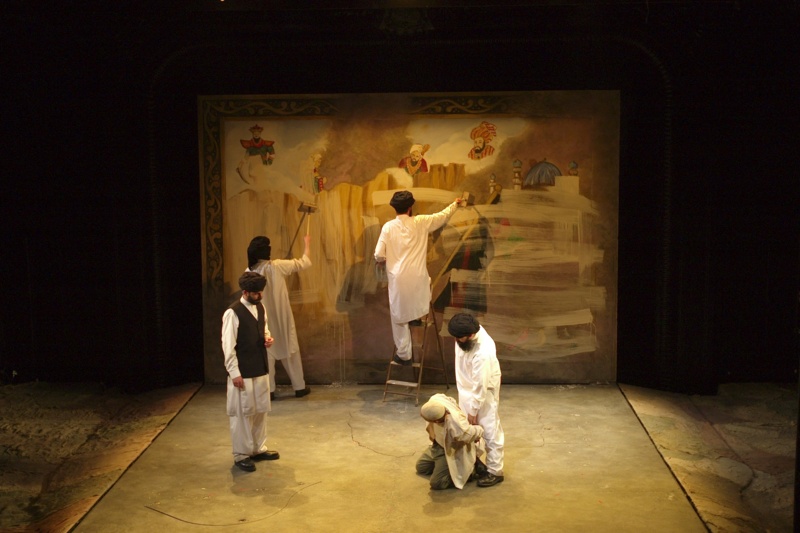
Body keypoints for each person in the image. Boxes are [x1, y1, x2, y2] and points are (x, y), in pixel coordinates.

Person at [374, 191, 463, 365]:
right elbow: (441, 217)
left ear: (395, 208)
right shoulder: (421, 222)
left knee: (398, 317)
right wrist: (455, 204)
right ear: (410, 208)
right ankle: (415, 316)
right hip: (419, 277)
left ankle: (404, 355)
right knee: (423, 288)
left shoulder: (388, 227)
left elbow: (378, 253)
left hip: (398, 279)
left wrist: (382, 260)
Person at [221, 271, 280, 472]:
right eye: (255, 293)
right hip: (243, 371)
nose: (259, 296)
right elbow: (228, 346)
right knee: (242, 413)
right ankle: (241, 454)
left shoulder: (260, 307)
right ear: (245, 292)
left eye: (260, 292)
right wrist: (234, 373)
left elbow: (264, 329)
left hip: (260, 367)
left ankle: (257, 448)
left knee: (260, 410)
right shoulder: (233, 313)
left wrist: (268, 338)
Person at [247, 234, 312, 399]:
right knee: (290, 349)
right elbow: (304, 262)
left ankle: (268, 391)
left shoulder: (249, 272)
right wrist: (307, 243)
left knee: (266, 353)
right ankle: (299, 387)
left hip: (262, 319)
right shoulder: (277, 266)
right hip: (282, 317)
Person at [447, 312, 505, 487]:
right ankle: (475, 463)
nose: (456, 341)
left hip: (484, 395)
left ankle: (495, 471)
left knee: (489, 430)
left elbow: (480, 384)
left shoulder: (482, 352)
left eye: (459, 338)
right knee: (467, 429)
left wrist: (473, 410)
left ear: (471, 335)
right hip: (466, 390)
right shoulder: (464, 334)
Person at [415, 393, 488, 490]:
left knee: (437, 483)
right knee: (421, 467)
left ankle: (472, 471)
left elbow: (472, 433)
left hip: (451, 450)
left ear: (437, 421)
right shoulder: (436, 400)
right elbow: (449, 399)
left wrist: (478, 431)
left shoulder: (456, 425)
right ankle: (444, 467)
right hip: (438, 444)